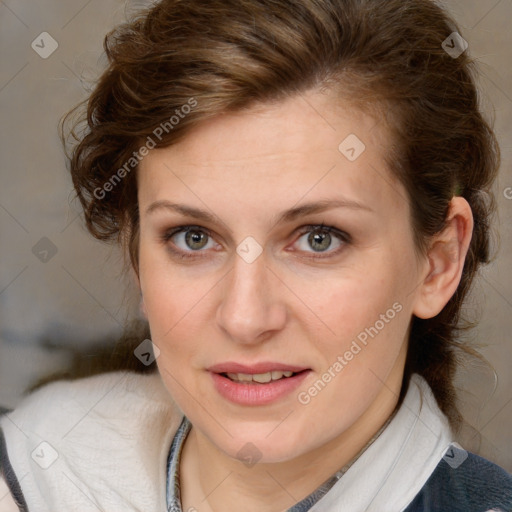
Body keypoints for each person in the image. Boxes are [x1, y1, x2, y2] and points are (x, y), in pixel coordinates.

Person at [1, 0, 511, 510]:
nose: (245, 318)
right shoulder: (32, 465)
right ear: (135, 257)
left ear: (437, 263)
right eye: (193, 238)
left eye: (319, 238)